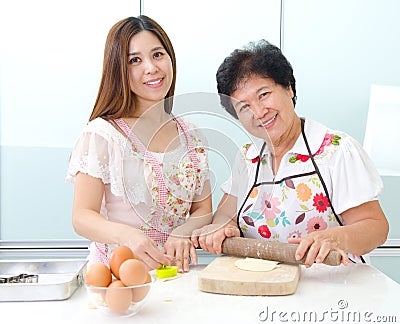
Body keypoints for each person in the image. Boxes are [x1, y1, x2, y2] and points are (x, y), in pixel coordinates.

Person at [191, 40, 389, 267]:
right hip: (263, 287)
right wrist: (223, 228)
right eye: (244, 107)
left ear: (288, 88)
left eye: (264, 94)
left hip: (333, 290)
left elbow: (375, 226)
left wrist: (335, 239)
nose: (258, 112)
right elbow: (225, 215)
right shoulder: (247, 158)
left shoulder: (336, 150)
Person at [66, 16, 212, 273]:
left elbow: (202, 209)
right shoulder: (103, 134)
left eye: (157, 54)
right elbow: (81, 216)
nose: (151, 68)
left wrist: (183, 232)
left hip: (176, 275)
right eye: (135, 60)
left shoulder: (192, 136)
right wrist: (127, 236)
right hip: (117, 276)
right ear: (118, 70)